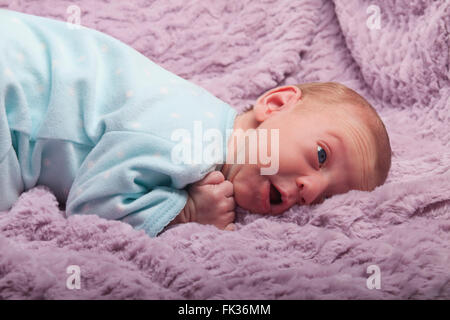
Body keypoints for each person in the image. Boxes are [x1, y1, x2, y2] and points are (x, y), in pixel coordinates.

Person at [0, 9, 391, 237]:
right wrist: (184, 213)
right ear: (275, 103)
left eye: (326, 198)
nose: (310, 191)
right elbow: (93, 205)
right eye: (321, 155)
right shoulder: (188, 139)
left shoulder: (205, 130)